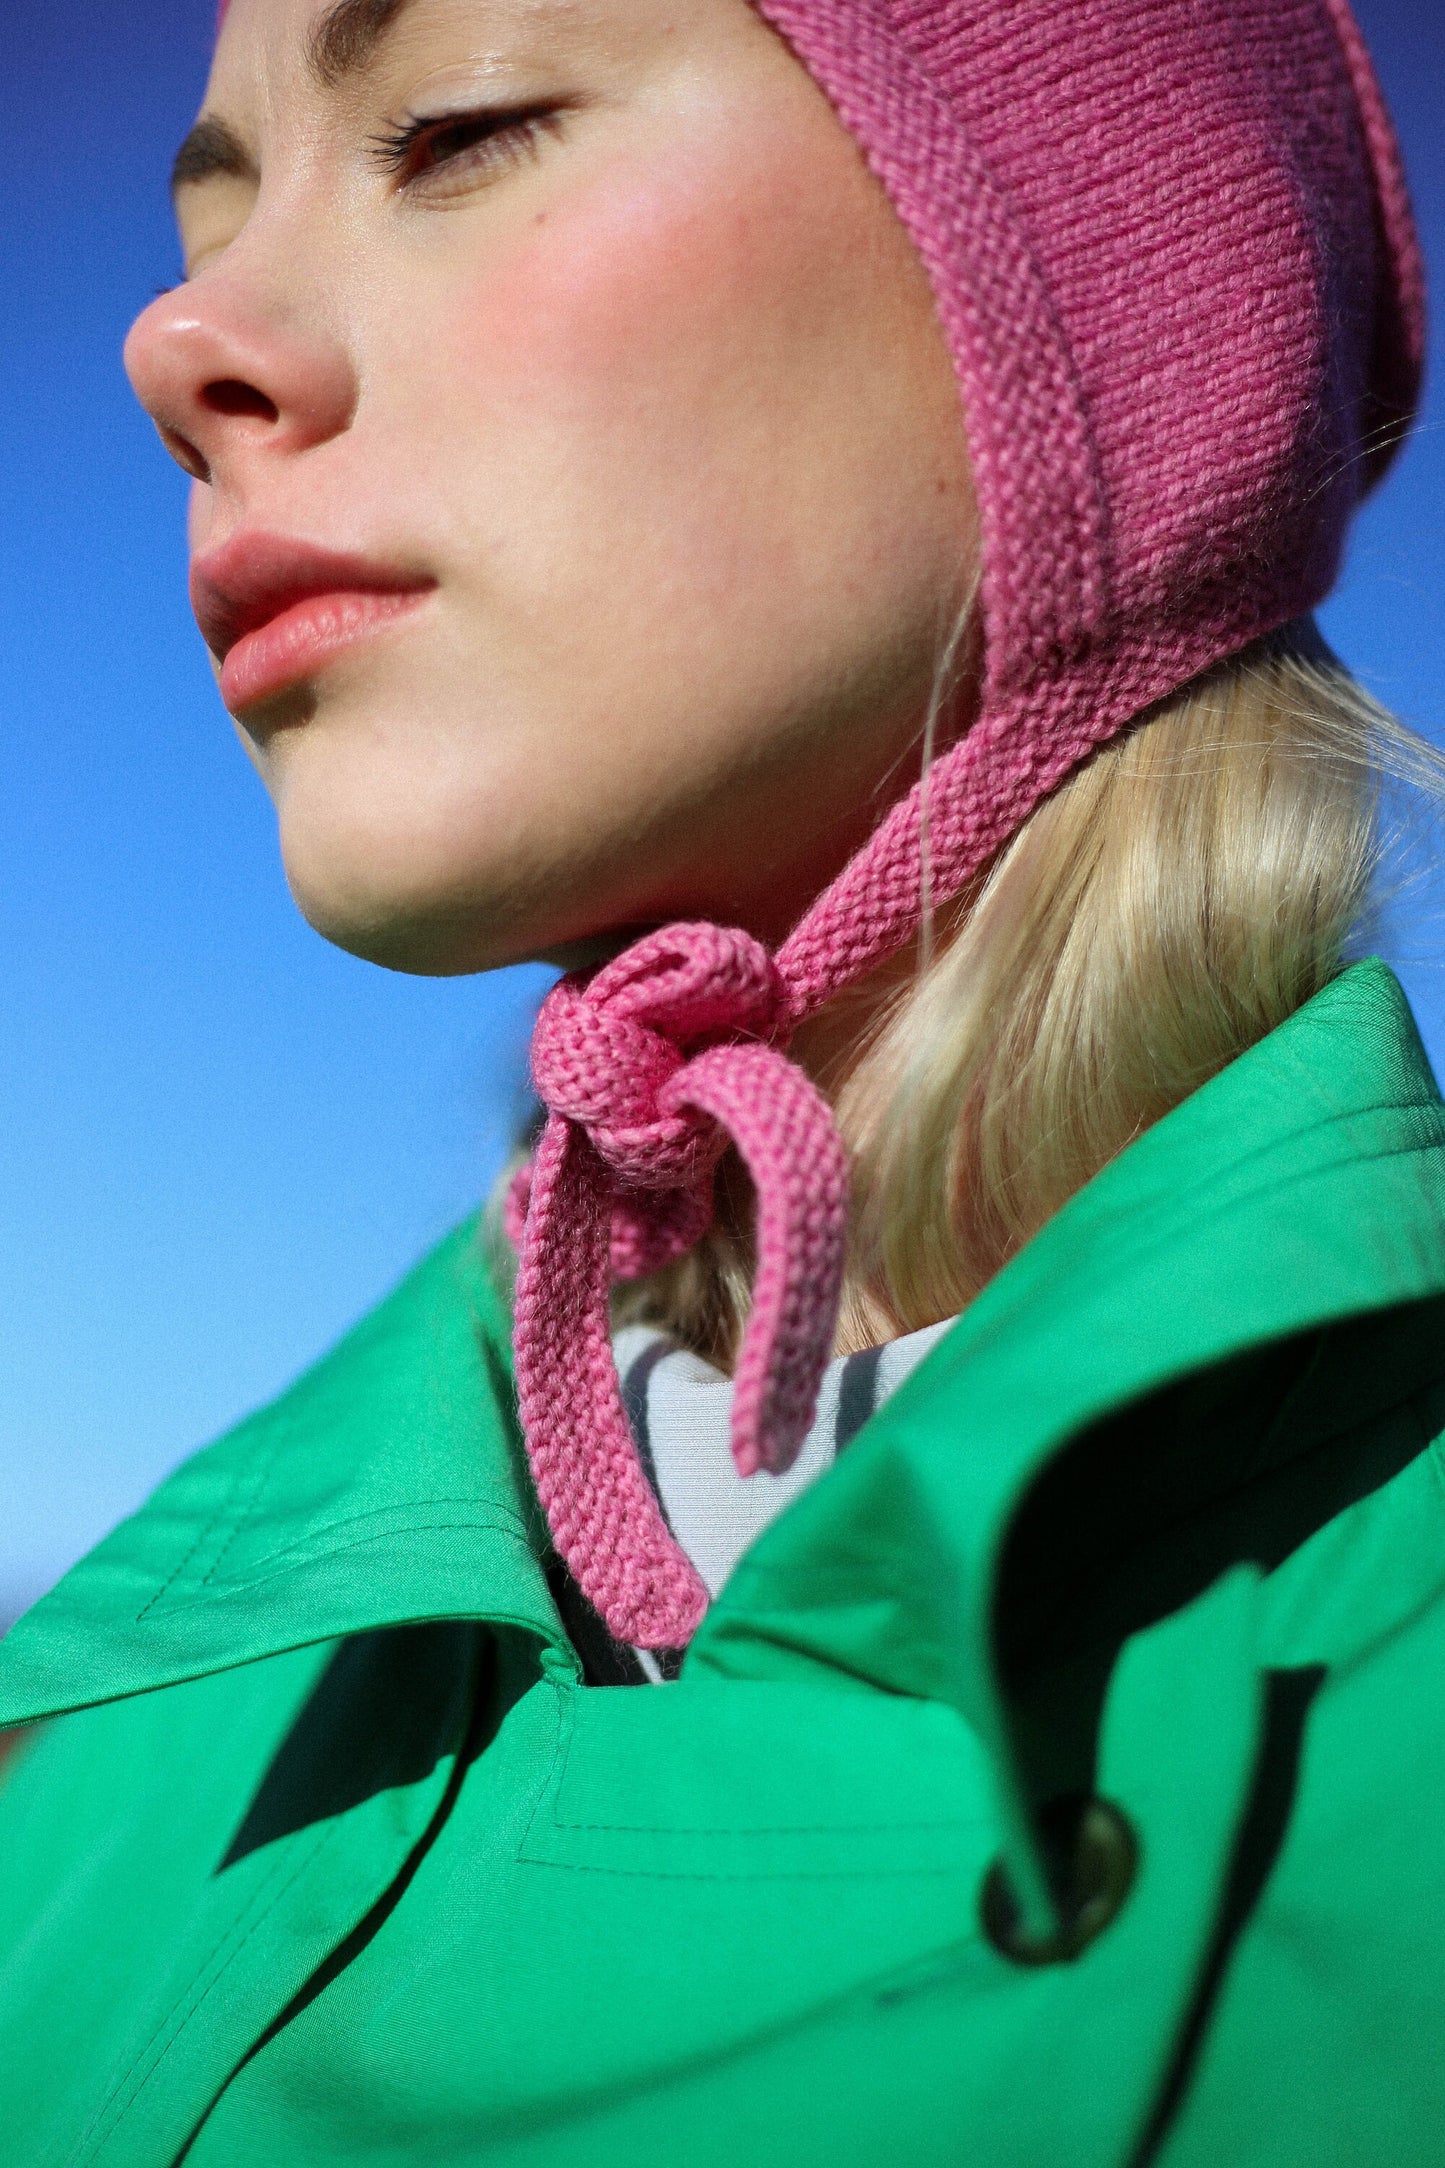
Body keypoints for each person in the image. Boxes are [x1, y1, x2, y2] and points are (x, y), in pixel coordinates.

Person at [0, 0, 1441, 2159]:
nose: (178, 341)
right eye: (210, 209)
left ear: (1097, 310)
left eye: (458, 129)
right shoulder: (107, 1733)